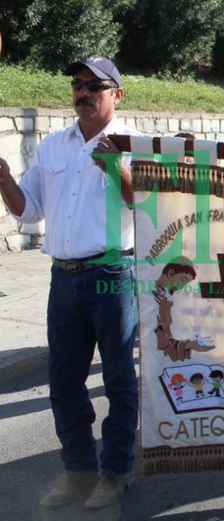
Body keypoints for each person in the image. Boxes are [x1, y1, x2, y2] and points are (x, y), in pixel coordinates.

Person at [0, 55, 139, 508]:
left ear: (116, 94)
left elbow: (156, 211)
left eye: (93, 86)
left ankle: (115, 471)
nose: (82, 92)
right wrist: (4, 180)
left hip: (114, 276)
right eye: (77, 84)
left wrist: (117, 169)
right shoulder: (53, 147)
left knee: (119, 380)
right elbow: (29, 210)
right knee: (63, 381)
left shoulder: (134, 143)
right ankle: (78, 470)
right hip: (64, 278)